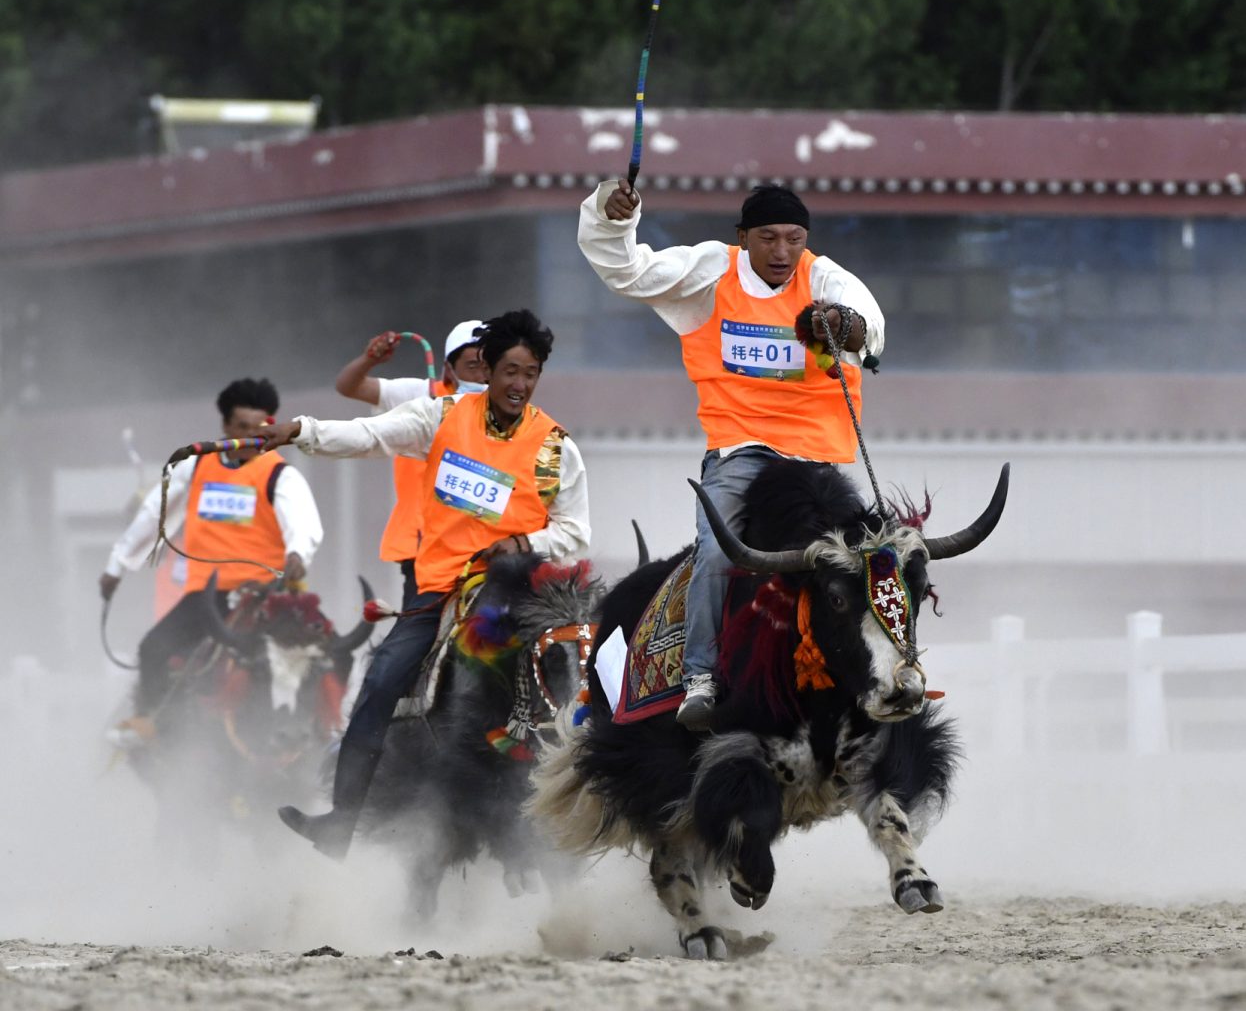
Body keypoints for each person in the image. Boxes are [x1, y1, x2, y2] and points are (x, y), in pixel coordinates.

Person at [260, 310, 590, 860]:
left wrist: (523, 545)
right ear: (486, 371)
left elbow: (575, 531)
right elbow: (368, 434)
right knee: (381, 680)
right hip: (438, 590)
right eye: (510, 371)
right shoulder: (442, 415)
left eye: (530, 373)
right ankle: (343, 821)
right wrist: (300, 431)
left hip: (522, 594)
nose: (519, 384)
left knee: (586, 671)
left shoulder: (557, 447)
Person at [578, 178, 886, 730]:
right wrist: (610, 215)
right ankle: (699, 676)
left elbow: (871, 326)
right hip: (738, 454)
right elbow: (626, 271)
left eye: (795, 238)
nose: (783, 252)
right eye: (768, 238)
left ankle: (884, 671)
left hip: (816, 464)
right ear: (742, 238)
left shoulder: (823, 277)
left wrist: (843, 324)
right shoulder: (709, 271)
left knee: (869, 560)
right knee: (720, 554)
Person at [99, 378, 324, 717]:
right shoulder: (195, 465)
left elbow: (303, 523)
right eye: (242, 427)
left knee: (322, 657)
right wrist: (117, 566)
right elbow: (152, 515)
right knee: (152, 651)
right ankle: (154, 733)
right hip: (207, 599)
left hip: (268, 597)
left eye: (261, 428)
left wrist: (298, 554)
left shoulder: (282, 476)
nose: (252, 437)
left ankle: (326, 736)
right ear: (226, 426)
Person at [333, 321, 488, 604]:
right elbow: (349, 386)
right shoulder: (421, 396)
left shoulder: (511, 409)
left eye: (490, 365)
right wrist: (370, 360)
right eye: (473, 365)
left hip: (489, 550)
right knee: (410, 641)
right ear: (449, 368)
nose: (482, 375)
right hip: (425, 548)